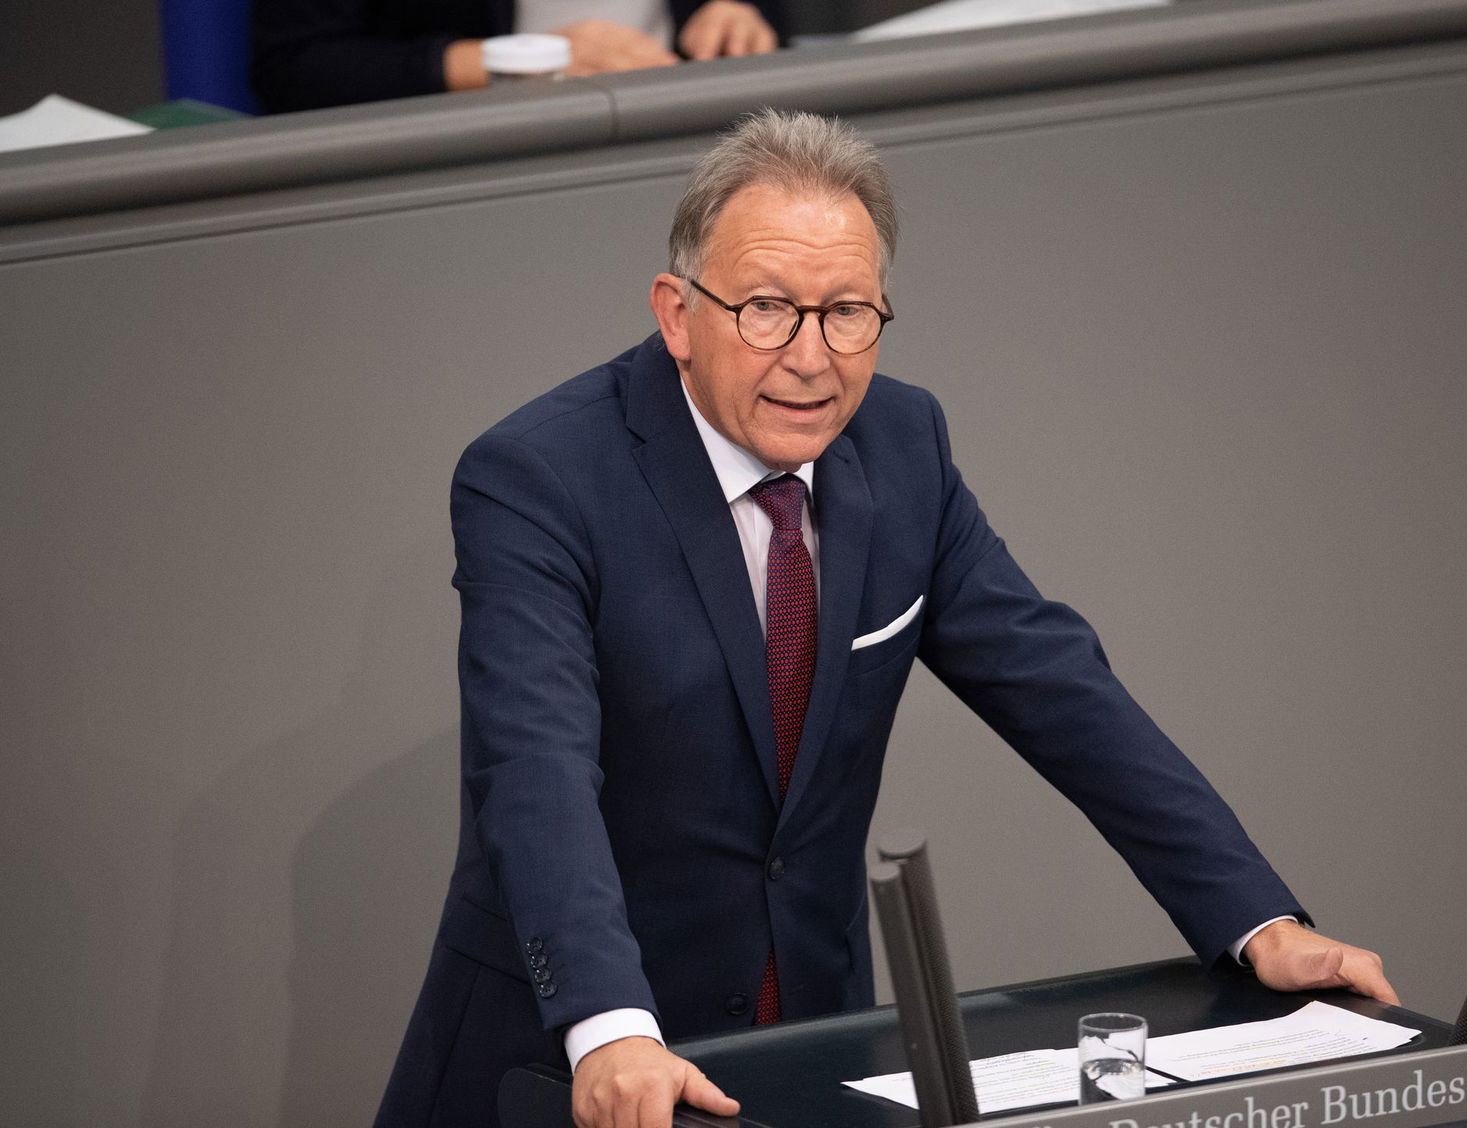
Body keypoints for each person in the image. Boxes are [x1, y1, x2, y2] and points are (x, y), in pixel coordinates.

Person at [376, 108, 1398, 1128]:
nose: (812, 359)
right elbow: (534, 769)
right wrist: (609, 1022)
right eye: (767, 308)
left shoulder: (903, 446)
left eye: (848, 312)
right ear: (677, 314)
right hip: (569, 1062)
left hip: (807, 1045)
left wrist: (1255, 920)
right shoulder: (538, 478)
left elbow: (1059, 687)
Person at [252, 0, 785, 114]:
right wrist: (516, 61)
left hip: (682, 121)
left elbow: (764, 13)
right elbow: (296, 66)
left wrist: (739, 10)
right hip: (474, 149)